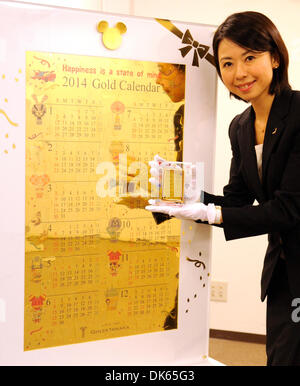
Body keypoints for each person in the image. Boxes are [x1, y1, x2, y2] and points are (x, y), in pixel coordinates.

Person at [146, 11, 300, 366]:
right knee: (280, 355)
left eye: (250, 57)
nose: (239, 73)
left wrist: (210, 212)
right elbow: (236, 201)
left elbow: (289, 208)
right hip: (284, 271)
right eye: (227, 63)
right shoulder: (241, 127)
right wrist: (179, 197)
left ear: (274, 57)